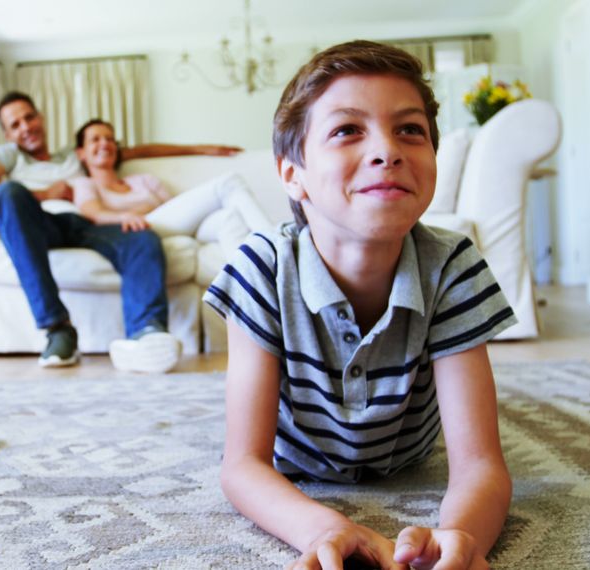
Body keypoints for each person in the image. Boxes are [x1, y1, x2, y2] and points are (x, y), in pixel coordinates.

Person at [203, 40, 515, 570]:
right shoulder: (260, 269)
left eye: (410, 130)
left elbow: (480, 465)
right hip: (297, 460)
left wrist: (462, 536)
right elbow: (243, 465)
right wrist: (323, 528)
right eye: (348, 129)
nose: (387, 150)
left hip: (408, 455)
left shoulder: (452, 264)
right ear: (291, 174)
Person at [0, 91, 241, 373]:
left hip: (86, 225)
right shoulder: (9, 157)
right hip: (40, 226)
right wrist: (45, 193)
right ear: (7, 134)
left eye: (29, 117)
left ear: (41, 118)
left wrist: (201, 150)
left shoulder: (73, 155)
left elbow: (139, 151)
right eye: (15, 124)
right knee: (8, 193)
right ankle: (57, 328)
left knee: (140, 235)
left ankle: (146, 333)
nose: (26, 127)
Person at [70, 118, 272, 251]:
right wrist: (127, 215)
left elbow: (175, 208)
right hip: (143, 228)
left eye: (109, 139)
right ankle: (275, 245)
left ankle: (252, 296)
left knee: (230, 218)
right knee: (229, 182)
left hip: (170, 224)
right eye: (95, 140)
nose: (105, 143)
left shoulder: (143, 180)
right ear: (81, 152)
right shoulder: (85, 184)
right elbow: (93, 213)